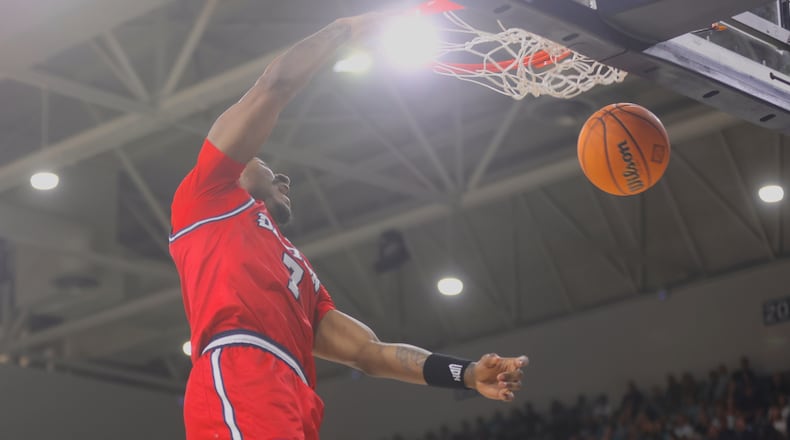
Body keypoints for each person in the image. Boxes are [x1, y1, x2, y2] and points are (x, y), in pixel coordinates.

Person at [168, 11, 529, 440]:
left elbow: (368, 353)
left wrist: (466, 375)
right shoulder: (207, 195)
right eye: (268, 166)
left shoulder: (297, 271)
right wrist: (344, 30)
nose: (283, 177)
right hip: (242, 368)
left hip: (294, 389)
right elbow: (274, 87)